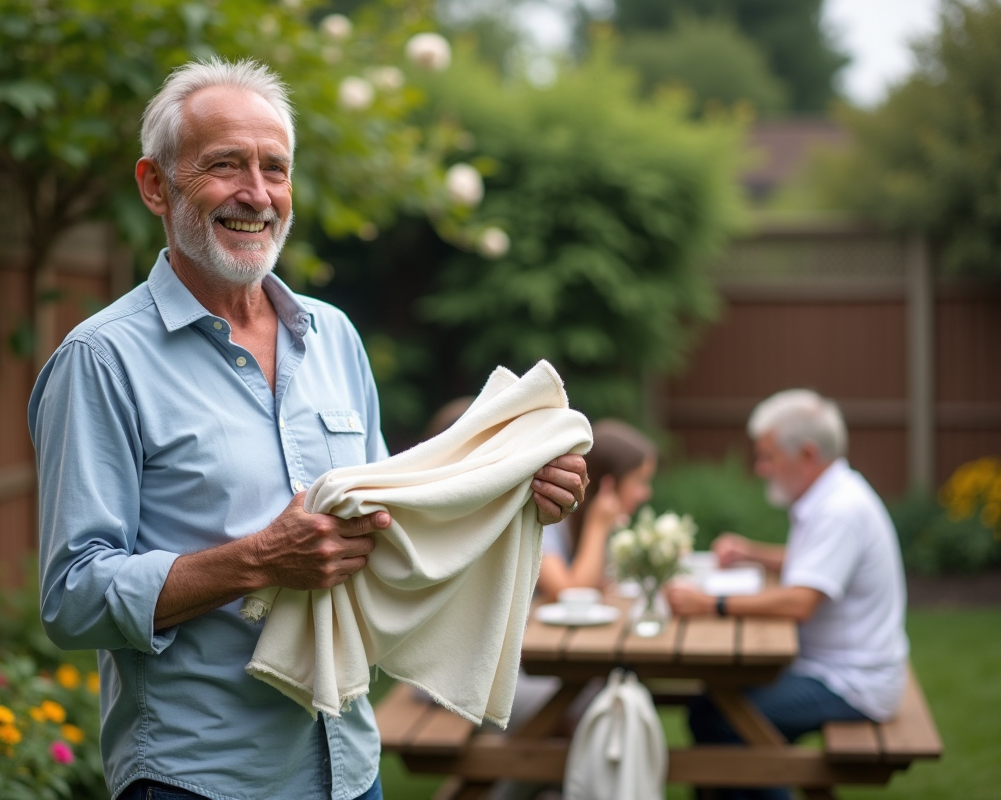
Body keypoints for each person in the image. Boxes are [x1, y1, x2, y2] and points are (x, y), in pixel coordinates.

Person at [29, 58, 589, 800]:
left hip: (350, 765)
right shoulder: (100, 360)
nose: (256, 194)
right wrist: (259, 559)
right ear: (155, 185)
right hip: (200, 778)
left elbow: (394, 527)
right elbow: (72, 597)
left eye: (275, 168)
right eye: (224, 165)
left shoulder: (333, 337)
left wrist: (515, 491)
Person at [665, 389, 909, 800]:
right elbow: (811, 565)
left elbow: (799, 602)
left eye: (768, 456)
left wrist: (711, 605)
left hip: (852, 682)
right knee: (712, 709)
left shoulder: (838, 510)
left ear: (808, 454)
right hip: (836, 666)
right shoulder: (833, 495)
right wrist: (752, 553)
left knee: (724, 719)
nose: (760, 468)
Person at [536, 420, 657, 602]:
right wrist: (597, 526)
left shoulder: (597, 519)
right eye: (639, 481)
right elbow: (566, 594)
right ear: (608, 483)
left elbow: (601, 582)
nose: (646, 493)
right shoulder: (546, 517)